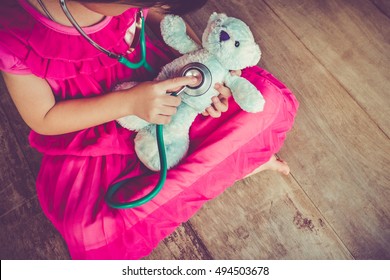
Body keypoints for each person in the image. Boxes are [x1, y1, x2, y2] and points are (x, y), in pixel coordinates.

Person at [0, 0, 298, 259]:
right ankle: (232, 166)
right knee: (89, 230)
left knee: (266, 104)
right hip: (93, 122)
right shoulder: (13, 35)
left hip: (164, 81)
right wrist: (128, 103)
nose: (138, 10)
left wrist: (206, 76)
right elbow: (43, 117)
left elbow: (161, 17)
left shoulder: (139, 6)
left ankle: (233, 165)